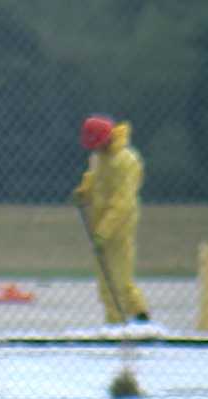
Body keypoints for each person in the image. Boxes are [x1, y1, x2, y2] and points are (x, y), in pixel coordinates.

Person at [71, 115, 151, 325]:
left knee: (118, 281)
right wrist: (84, 191)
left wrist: (104, 232)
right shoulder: (100, 158)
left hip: (119, 227)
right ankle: (127, 319)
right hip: (101, 226)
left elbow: (122, 203)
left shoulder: (126, 160)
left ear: (107, 137)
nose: (95, 149)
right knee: (107, 282)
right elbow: (94, 178)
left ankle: (129, 320)